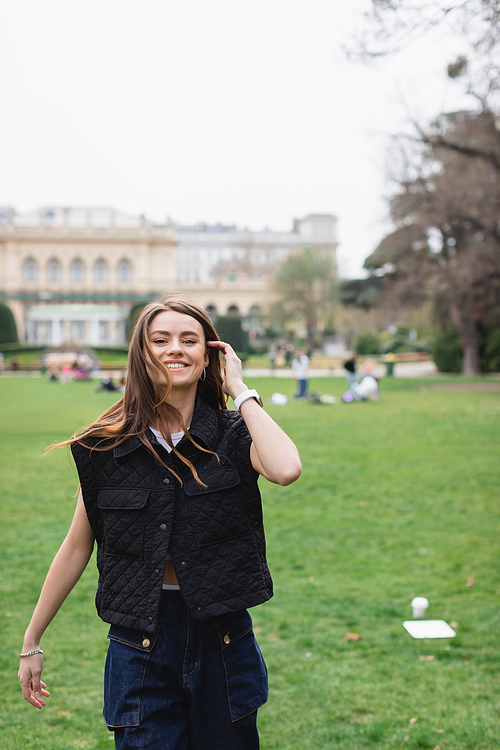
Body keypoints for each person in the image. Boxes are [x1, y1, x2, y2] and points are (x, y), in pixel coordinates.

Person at [18, 296, 302, 750]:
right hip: (139, 646)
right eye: (161, 339)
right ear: (141, 353)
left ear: (208, 356)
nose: (175, 349)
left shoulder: (235, 434)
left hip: (222, 640)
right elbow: (76, 546)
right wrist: (32, 639)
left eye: (190, 340)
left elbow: (286, 469)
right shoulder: (105, 446)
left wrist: (241, 391)